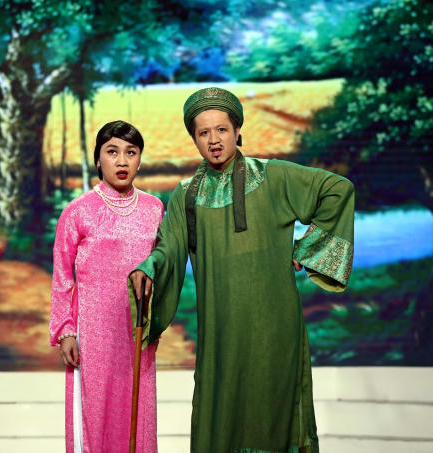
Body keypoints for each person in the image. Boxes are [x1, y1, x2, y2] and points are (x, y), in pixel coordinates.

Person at [129, 87, 354, 453]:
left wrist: (307, 249)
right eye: (203, 132)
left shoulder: (273, 176)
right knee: (220, 415)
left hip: (274, 326)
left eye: (221, 129)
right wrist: (149, 269)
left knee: (274, 413)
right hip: (220, 332)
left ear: (237, 130)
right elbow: (169, 247)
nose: (214, 140)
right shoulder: (186, 195)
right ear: (194, 139)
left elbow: (337, 189)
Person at [50, 120, 162, 453]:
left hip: (137, 330)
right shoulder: (78, 211)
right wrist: (66, 332)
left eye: (131, 152)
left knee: (137, 412)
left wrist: (156, 319)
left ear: (140, 159)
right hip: (93, 334)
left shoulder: (155, 209)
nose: (122, 161)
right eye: (112, 152)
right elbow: (62, 276)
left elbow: (164, 265)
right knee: (95, 415)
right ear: (98, 159)